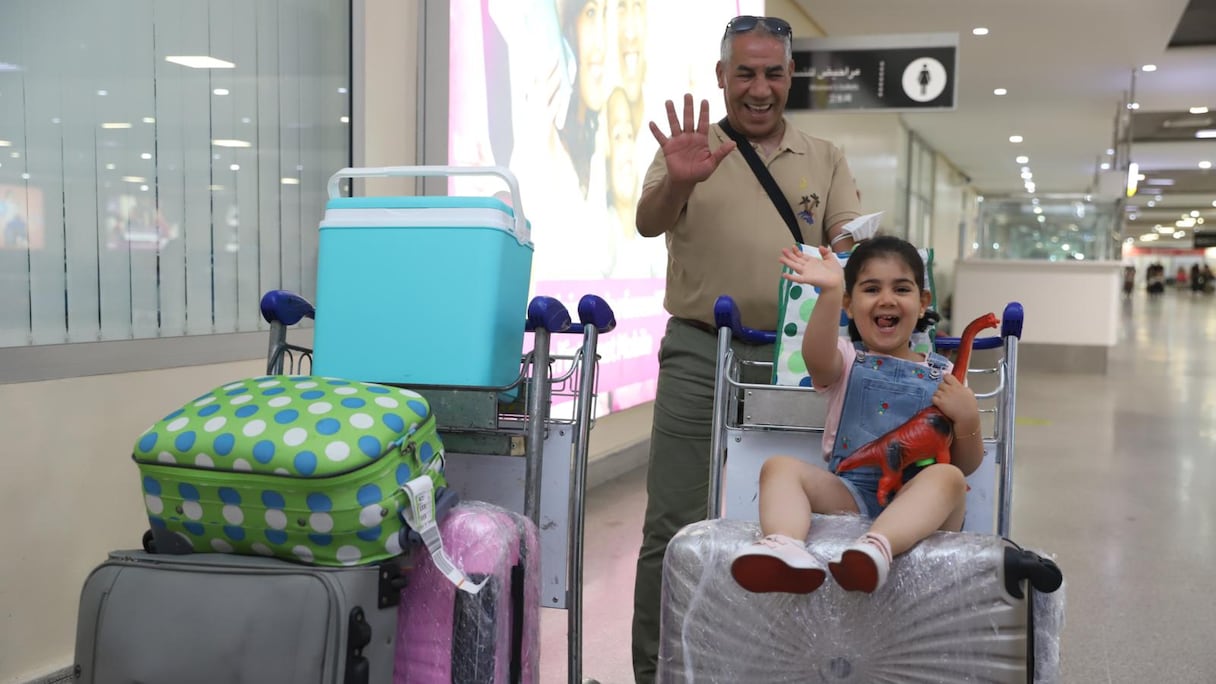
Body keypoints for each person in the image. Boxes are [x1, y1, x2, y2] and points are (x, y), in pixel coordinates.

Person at [629, 15, 862, 682]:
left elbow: (849, 237)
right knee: (672, 522)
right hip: (702, 354)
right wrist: (679, 180)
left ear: (791, 77)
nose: (759, 89)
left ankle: (764, 666)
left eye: (773, 73)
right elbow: (649, 222)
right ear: (722, 77)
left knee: (787, 529)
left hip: (799, 362)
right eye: (746, 73)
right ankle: (655, 670)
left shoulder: (824, 155)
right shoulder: (688, 145)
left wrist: (845, 254)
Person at [729, 236, 984, 595]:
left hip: (920, 501)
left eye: (901, 288)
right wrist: (830, 292)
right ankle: (784, 548)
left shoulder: (945, 377)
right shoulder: (846, 360)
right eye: (870, 288)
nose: (886, 299)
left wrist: (968, 419)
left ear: (922, 301)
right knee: (779, 467)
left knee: (949, 477)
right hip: (851, 493)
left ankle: (877, 547)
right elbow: (817, 357)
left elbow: (966, 463)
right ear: (850, 304)